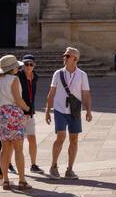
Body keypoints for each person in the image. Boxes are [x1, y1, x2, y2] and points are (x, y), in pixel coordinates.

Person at [46, 47, 92, 179]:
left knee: (74, 139)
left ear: (75, 59)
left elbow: (86, 94)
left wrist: (88, 110)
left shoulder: (82, 75)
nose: (64, 58)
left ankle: (70, 169)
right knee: (61, 136)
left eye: (67, 56)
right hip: (60, 109)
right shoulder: (58, 73)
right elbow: (51, 93)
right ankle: (53, 166)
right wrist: (47, 111)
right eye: (64, 56)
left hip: (75, 110)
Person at [0, 55, 31, 191]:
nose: (18, 68)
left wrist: (2, 111)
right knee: (18, 149)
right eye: (16, 66)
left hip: (1, 114)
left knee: (5, 148)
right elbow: (17, 98)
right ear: (11, 68)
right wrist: (26, 108)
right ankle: (22, 180)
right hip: (14, 113)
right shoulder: (14, 79)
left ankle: (6, 180)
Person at [19, 53, 42, 173]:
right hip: (19, 113)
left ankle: (33, 164)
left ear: (34, 65)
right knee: (19, 140)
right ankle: (11, 163)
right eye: (25, 64)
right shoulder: (18, 76)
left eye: (30, 64)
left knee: (32, 138)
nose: (28, 66)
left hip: (30, 113)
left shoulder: (35, 77)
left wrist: (30, 110)